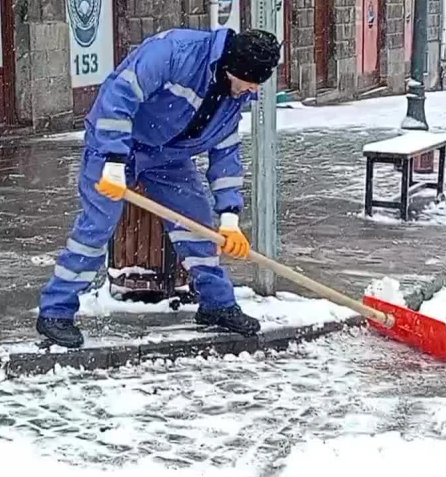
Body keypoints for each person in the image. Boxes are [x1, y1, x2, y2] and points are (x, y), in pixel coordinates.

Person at [35, 27, 282, 348]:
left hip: (167, 154)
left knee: (197, 224)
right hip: (115, 143)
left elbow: (225, 151)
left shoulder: (236, 94)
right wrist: (112, 160)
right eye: (250, 82)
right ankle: (55, 311)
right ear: (233, 67)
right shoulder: (175, 52)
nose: (253, 90)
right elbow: (118, 95)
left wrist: (230, 219)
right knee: (97, 227)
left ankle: (216, 305)